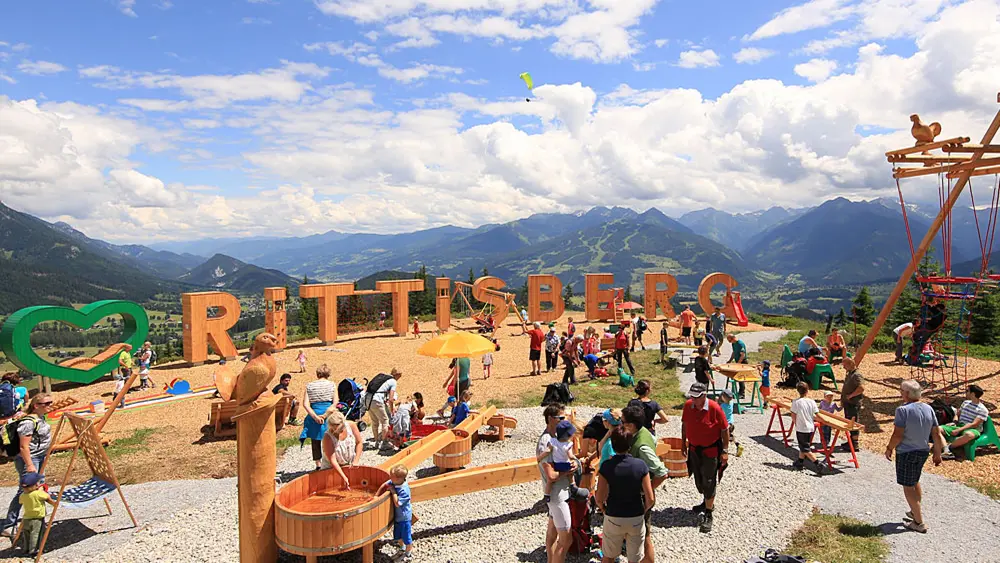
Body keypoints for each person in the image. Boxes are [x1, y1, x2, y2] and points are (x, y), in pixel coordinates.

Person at [885, 380, 945, 533]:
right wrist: (937, 453)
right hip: (923, 450)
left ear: (906, 393)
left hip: (907, 451)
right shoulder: (928, 408)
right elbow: (936, 434)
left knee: (907, 485)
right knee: (915, 480)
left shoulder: (902, 410)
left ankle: (918, 522)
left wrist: (889, 448)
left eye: (901, 390)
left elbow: (897, 434)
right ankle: (914, 511)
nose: (900, 393)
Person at [595, 427, 655, 563]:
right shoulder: (641, 466)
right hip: (635, 517)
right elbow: (650, 498)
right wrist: (643, 510)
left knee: (609, 556)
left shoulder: (606, 467)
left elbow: (599, 497)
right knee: (635, 559)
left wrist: (604, 509)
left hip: (613, 515)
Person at [2, 394, 54, 536]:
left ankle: (37, 520)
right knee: (25, 490)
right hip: (31, 459)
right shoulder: (28, 422)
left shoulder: (40, 417)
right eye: (46, 403)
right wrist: (30, 465)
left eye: (51, 402)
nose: (50, 405)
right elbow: (24, 447)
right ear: (36, 406)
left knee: (38, 489)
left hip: (39, 457)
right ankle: (9, 525)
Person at [680, 383, 729, 534]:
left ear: (704, 396)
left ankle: (708, 514)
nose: (692, 400)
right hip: (694, 449)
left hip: (711, 451)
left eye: (696, 397)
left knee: (708, 481)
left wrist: (725, 451)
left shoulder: (714, 408)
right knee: (699, 481)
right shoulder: (688, 406)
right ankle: (707, 501)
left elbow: (725, 429)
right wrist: (683, 443)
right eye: (691, 396)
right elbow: (685, 424)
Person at [621, 405, 668, 560]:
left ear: (631, 425)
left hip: (640, 496)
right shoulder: (644, 432)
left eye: (623, 422)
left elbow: (662, 472)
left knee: (645, 535)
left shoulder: (641, 447)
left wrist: (646, 491)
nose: (620, 425)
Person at [300, 364, 337, 470]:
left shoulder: (309, 386)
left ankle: (318, 464)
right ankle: (331, 460)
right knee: (331, 438)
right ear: (328, 374)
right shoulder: (332, 385)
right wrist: (325, 415)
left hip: (314, 412)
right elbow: (335, 403)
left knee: (315, 440)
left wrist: (315, 417)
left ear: (317, 374)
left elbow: (306, 404)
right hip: (328, 413)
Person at [376, 464, 415, 561]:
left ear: (399, 479)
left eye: (391, 477)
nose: (390, 478)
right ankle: (402, 549)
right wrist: (376, 496)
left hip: (404, 517)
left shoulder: (404, 491)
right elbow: (384, 484)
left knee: (406, 537)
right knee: (397, 536)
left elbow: (397, 503)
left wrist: (393, 492)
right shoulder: (395, 482)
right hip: (398, 517)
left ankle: (408, 553)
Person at [542, 420, 588, 500]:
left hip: (557, 463)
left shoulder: (554, 441)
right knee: (573, 472)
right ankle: (573, 487)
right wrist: (576, 460)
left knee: (550, 482)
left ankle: (547, 494)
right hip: (563, 465)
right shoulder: (568, 443)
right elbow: (572, 456)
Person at [941, 384, 989, 459]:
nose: (965, 393)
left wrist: (959, 430)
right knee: (937, 429)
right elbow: (957, 414)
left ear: (973, 394)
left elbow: (974, 424)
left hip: (973, 429)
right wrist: (955, 422)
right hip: (959, 425)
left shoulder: (983, 410)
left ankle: (949, 447)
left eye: (967, 391)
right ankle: (946, 450)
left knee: (969, 435)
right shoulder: (965, 403)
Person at [16, 472, 54, 556]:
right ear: (36, 485)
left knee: (27, 534)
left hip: (26, 518)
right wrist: (54, 504)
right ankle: (33, 550)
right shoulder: (38, 494)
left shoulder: (22, 495)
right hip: (37, 519)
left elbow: (20, 501)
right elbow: (47, 497)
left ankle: (26, 548)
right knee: (36, 534)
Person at [320, 411, 364, 483]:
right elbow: (333, 460)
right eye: (334, 429)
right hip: (331, 469)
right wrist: (343, 476)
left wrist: (356, 461)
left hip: (350, 464)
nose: (338, 432)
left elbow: (359, 443)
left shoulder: (351, 425)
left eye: (340, 429)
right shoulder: (327, 437)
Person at [790, 382, 822, 473]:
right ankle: (800, 462)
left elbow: (793, 414)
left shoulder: (796, 402)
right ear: (807, 391)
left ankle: (817, 463)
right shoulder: (811, 402)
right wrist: (823, 420)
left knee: (805, 448)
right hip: (810, 427)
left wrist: (796, 423)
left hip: (801, 428)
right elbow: (816, 414)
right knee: (803, 444)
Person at [368, 368, 403, 450]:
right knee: (385, 421)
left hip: (368, 399)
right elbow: (391, 399)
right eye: (400, 376)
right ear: (397, 375)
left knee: (374, 422)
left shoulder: (383, 377)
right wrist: (391, 409)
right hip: (376, 400)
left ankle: (376, 442)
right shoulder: (393, 381)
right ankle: (384, 443)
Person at [840, 357, 865, 451]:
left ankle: (855, 444)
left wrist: (850, 396)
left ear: (850, 364)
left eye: (845, 365)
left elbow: (861, 388)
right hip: (848, 403)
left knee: (853, 423)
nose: (843, 367)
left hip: (853, 403)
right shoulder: (850, 373)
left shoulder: (856, 375)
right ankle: (850, 441)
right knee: (849, 422)